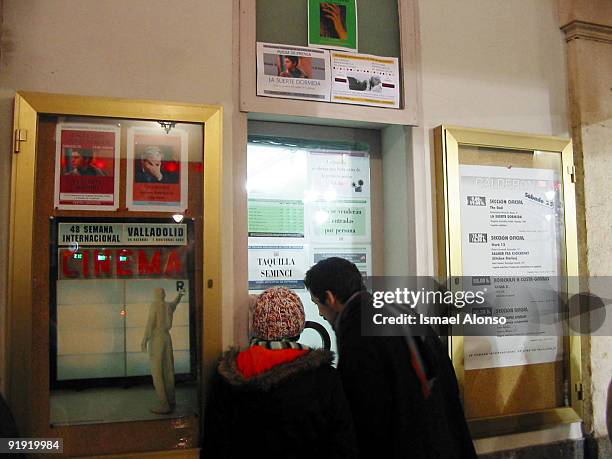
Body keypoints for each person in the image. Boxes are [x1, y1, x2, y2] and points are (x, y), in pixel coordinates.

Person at [304, 257, 477, 459]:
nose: (320, 313)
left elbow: (366, 412)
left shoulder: (357, 330)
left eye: (317, 303)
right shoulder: (399, 310)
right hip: (445, 440)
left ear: (330, 297)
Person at [202, 287, 357, 458]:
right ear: (299, 326)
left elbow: (214, 445)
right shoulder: (324, 377)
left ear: (257, 324)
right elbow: (343, 444)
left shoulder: (228, 375)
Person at [141, 287, 184, 414]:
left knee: (157, 370)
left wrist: (144, 340)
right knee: (168, 369)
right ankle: (171, 399)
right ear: (164, 295)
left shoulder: (155, 305)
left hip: (157, 338)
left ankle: (163, 403)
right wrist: (180, 295)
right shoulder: (168, 306)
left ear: (157, 294)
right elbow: (175, 303)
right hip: (167, 337)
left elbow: (150, 323)